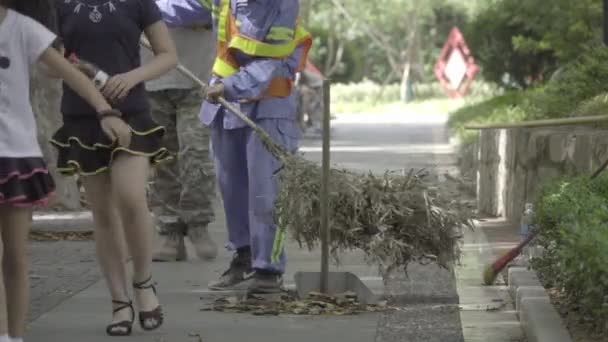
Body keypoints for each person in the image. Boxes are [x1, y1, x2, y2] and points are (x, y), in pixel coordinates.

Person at [156, 0, 312, 293]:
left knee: (266, 195)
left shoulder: (283, 4)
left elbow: (273, 58)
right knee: (232, 190)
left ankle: (268, 271)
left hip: (267, 106)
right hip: (227, 106)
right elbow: (178, 6)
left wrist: (230, 86)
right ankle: (243, 258)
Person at [0, 1, 132, 341]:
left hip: (16, 154)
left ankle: (14, 336)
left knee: (16, 256)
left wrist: (105, 111)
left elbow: (72, 75)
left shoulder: (20, 27)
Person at [50, 0, 177, 336]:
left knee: (132, 198)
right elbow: (49, 62)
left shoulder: (139, 3)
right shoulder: (57, 5)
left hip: (132, 112)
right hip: (81, 116)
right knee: (103, 214)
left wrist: (132, 76)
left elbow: (167, 55)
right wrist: (74, 67)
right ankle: (119, 302)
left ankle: (144, 284)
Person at [141, 3, 218, 262]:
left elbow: (208, 8)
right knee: (162, 159)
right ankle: (169, 230)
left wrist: (151, 11)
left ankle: (198, 223)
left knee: (196, 153)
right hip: (151, 79)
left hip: (198, 79)